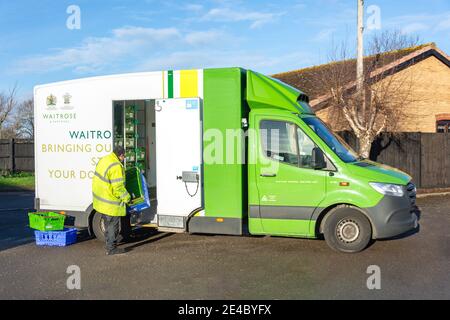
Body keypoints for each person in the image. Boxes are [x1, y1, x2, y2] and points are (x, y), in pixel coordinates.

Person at [92, 146, 131, 255]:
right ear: (121, 155)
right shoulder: (116, 166)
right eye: (124, 156)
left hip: (101, 200)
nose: (124, 159)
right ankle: (111, 249)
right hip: (110, 202)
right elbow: (118, 188)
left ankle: (109, 244)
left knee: (107, 224)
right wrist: (127, 198)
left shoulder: (105, 159)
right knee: (113, 226)